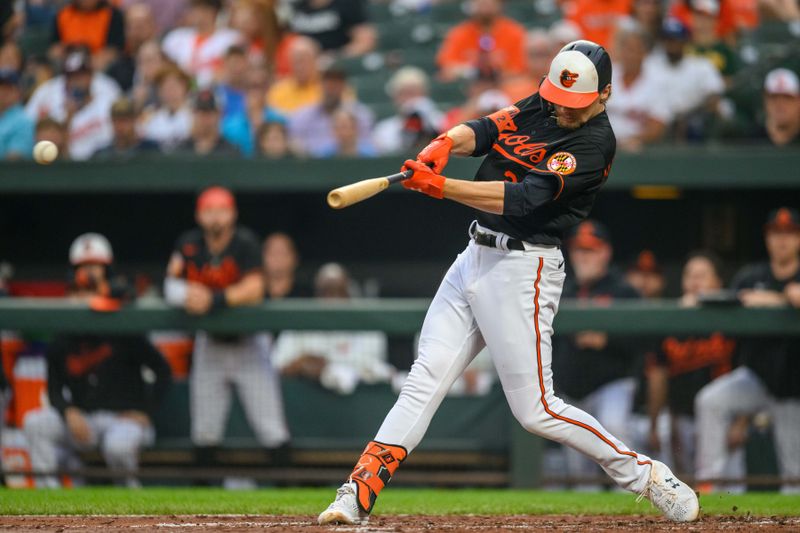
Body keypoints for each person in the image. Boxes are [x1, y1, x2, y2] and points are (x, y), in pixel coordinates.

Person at [317, 40, 699, 526]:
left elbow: (523, 199)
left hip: (525, 268)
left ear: (603, 95)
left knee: (537, 410)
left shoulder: (594, 143)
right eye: (557, 99)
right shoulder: (549, 101)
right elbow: (490, 127)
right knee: (424, 379)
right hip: (474, 255)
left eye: (574, 103)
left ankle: (647, 476)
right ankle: (358, 491)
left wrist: (442, 186)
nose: (561, 109)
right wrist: (444, 143)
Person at [23, 233, 172, 488]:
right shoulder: (64, 326)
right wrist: (67, 411)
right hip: (85, 419)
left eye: (95, 266)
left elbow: (162, 369)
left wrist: (145, 411)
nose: (89, 274)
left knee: (118, 447)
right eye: (83, 267)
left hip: (122, 420)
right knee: (35, 424)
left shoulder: (122, 317)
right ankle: (48, 505)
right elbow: (54, 384)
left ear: (106, 270)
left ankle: (130, 506)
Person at [164, 186, 290, 475]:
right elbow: (170, 284)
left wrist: (214, 299)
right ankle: (198, 505)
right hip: (210, 345)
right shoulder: (189, 243)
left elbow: (256, 288)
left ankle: (292, 499)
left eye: (221, 211)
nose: (215, 218)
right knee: (204, 431)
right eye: (209, 211)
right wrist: (187, 295)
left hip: (249, 344)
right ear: (199, 215)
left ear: (232, 214)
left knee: (271, 428)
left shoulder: (245, 242)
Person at [695, 207, 800, 494]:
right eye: (776, 234)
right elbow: (726, 309)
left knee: (795, 477)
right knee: (711, 401)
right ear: (767, 238)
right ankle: (708, 484)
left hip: (794, 389)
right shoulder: (752, 275)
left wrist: (776, 299)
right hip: (757, 378)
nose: (782, 241)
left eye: (789, 234)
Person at [552, 220, 643, 490]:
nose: (583, 256)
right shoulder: (561, 288)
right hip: (572, 388)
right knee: (580, 465)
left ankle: (632, 492)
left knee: (616, 427)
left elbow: (644, 341)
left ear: (605, 252)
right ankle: (589, 517)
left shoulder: (623, 290)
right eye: (579, 250)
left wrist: (606, 339)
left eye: (590, 250)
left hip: (611, 383)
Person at [646, 251, 735, 475]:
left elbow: (746, 370)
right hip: (682, 417)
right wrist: (655, 424)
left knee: (731, 486)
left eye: (702, 275)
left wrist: (742, 423)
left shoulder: (734, 318)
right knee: (681, 482)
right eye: (690, 275)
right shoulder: (671, 319)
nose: (695, 282)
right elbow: (659, 375)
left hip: (725, 420)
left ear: (718, 282)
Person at [273, 263, 391, 395]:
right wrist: (302, 363)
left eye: (339, 292)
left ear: (349, 294)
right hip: (308, 399)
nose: (332, 299)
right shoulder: (299, 323)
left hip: (356, 403)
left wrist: (328, 368)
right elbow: (278, 367)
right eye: (326, 292)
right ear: (317, 294)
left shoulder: (366, 324)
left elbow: (377, 371)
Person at [25, 45, 120, 160]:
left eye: (81, 75)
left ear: (90, 76)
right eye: (72, 76)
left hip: (100, 162)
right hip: (65, 166)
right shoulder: (51, 101)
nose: (76, 81)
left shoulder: (107, 97)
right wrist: (68, 119)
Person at [644, 18, 724, 141]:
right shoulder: (650, 65)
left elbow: (714, 97)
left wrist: (693, 113)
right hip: (658, 123)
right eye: (667, 40)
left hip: (693, 122)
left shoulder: (701, 66)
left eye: (675, 40)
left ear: (685, 42)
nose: (671, 45)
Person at [606, 19, 671, 151]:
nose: (630, 55)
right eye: (627, 49)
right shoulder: (606, 75)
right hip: (602, 145)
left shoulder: (658, 81)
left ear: (644, 53)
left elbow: (658, 125)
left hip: (639, 148)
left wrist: (636, 139)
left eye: (635, 50)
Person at [288, 65, 373, 157]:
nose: (331, 87)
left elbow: (368, 148)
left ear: (344, 85)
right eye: (327, 81)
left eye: (336, 82)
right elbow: (294, 143)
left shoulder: (360, 114)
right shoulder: (302, 116)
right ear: (319, 84)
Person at [436, 0, 527, 82]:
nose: (486, 5)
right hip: (469, 88)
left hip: (506, 88)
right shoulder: (459, 33)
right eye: (480, 2)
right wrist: (472, 71)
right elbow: (446, 67)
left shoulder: (515, 32)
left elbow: (521, 69)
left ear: (500, 5)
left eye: (491, 2)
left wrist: (496, 72)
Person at [161, 0, 241, 88]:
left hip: (217, 91)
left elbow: (234, 70)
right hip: (182, 92)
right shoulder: (176, 37)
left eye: (202, 9)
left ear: (213, 11)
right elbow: (164, 68)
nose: (197, 13)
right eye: (194, 8)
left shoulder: (230, 38)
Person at [372, 66, 444, 156]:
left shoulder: (440, 120)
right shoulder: (384, 129)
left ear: (425, 94)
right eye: (404, 94)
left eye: (414, 93)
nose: (410, 99)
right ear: (395, 98)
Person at [50, 0, 125, 72]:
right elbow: (55, 48)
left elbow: (115, 49)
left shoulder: (112, 15)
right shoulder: (62, 14)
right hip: (68, 63)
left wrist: (92, 61)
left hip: (98, 65)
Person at [288, 0, 376, 57]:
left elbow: (366, 42)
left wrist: (334, 56)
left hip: (338, 69)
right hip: (306, 69)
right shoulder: (298, 7)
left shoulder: (347, 3)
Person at [138, 65, 193, 151]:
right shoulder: (149, 115)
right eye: (165, 86)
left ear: (184, 87)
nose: (170, 91)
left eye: (174, 86)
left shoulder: (194, 115)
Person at [265, 36, 323, 114]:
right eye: (295, 61)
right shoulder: (277, 91)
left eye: (303, 60)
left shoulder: (325, 89)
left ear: (315, 61)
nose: (299, 66)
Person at [174, 90, 241, 157]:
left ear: (219, 115)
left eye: (209, 112)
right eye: (201, 112)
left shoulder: (230, 151)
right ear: (193, 114)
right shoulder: (181, 150)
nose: (205, 118)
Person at [93, 96, 160, 159]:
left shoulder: (151, 150)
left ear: (134, 121)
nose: (120, 126)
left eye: (124, 121)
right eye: (116, 121)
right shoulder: (102, 155)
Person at [561, 0, 633, 49]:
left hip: (620, 57)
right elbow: (570, 33)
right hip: (590, 55)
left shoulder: (627, 3)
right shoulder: (580, 5)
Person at [759, 68, 800, 147]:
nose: (780, 104)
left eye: (787, 98)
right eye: (774, 97)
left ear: (798, 101)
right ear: (765, 101)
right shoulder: (749, 140)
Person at [0, 69, 34, 160]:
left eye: (9, 88)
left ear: (18, 92)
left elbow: (14, 157)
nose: (3, 92)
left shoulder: (23, 121)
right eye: (1, 88)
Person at [262, 232, 309, 298]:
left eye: (283, 253)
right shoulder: (253, 294)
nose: (277, 258)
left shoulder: (307, 295)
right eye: (272, 253)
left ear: (295, 258)